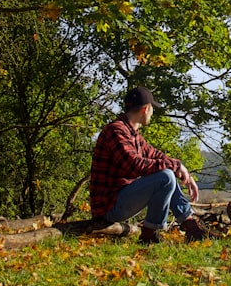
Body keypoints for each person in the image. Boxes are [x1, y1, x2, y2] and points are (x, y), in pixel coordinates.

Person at [89, 86, 208, 244]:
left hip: (120, 199)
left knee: (167, 173)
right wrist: (176, 167)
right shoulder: (116, 131)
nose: (152, 113)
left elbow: (156, 155)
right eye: (152, 109)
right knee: (165, 177)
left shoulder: (132, 133)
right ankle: (149, 235)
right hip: (109, 207)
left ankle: (191, 227)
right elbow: (134, 165)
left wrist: (181, 168)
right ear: (145, 109)